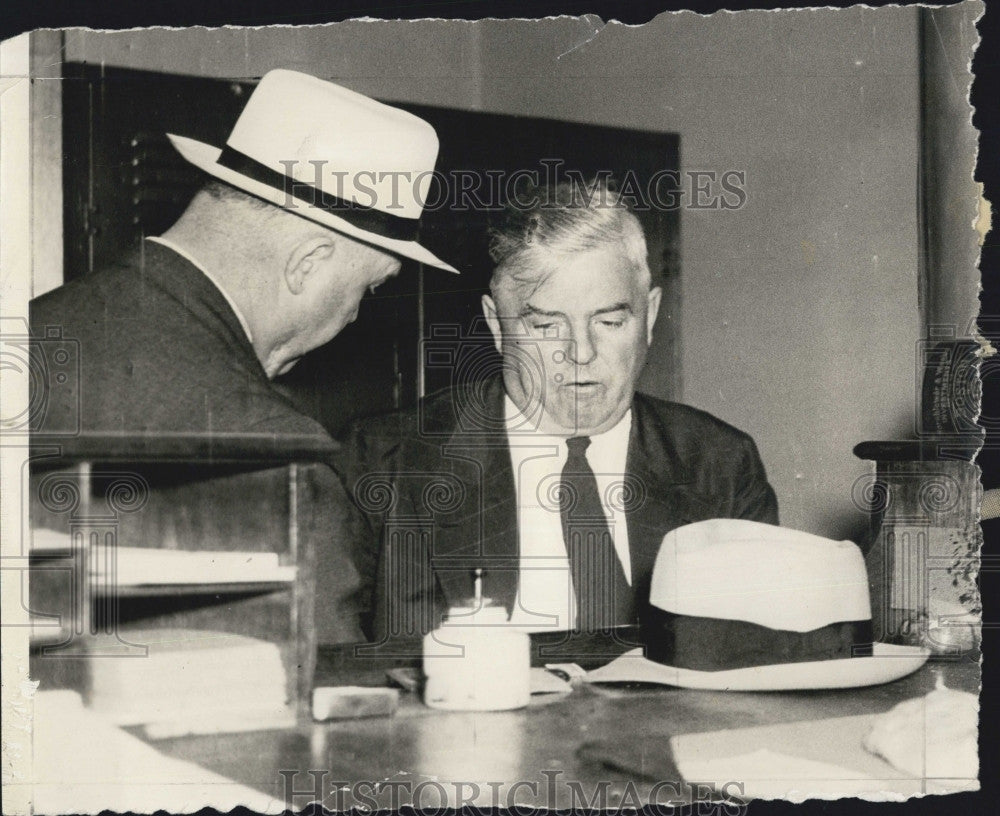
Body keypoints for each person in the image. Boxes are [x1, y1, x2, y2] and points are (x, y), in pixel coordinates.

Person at [341, 179, 778, 642]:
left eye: (610, 322)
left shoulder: (720, 465)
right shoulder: (384, 461)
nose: (581, 352)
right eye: (547, 326)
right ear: (496, 324)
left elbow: (753, 664)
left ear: (649, 316)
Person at [30, 68, 456, 437]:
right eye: (371, 287)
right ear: (306, 264)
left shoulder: (32, 328)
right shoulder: (266, 444)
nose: (355, 315)